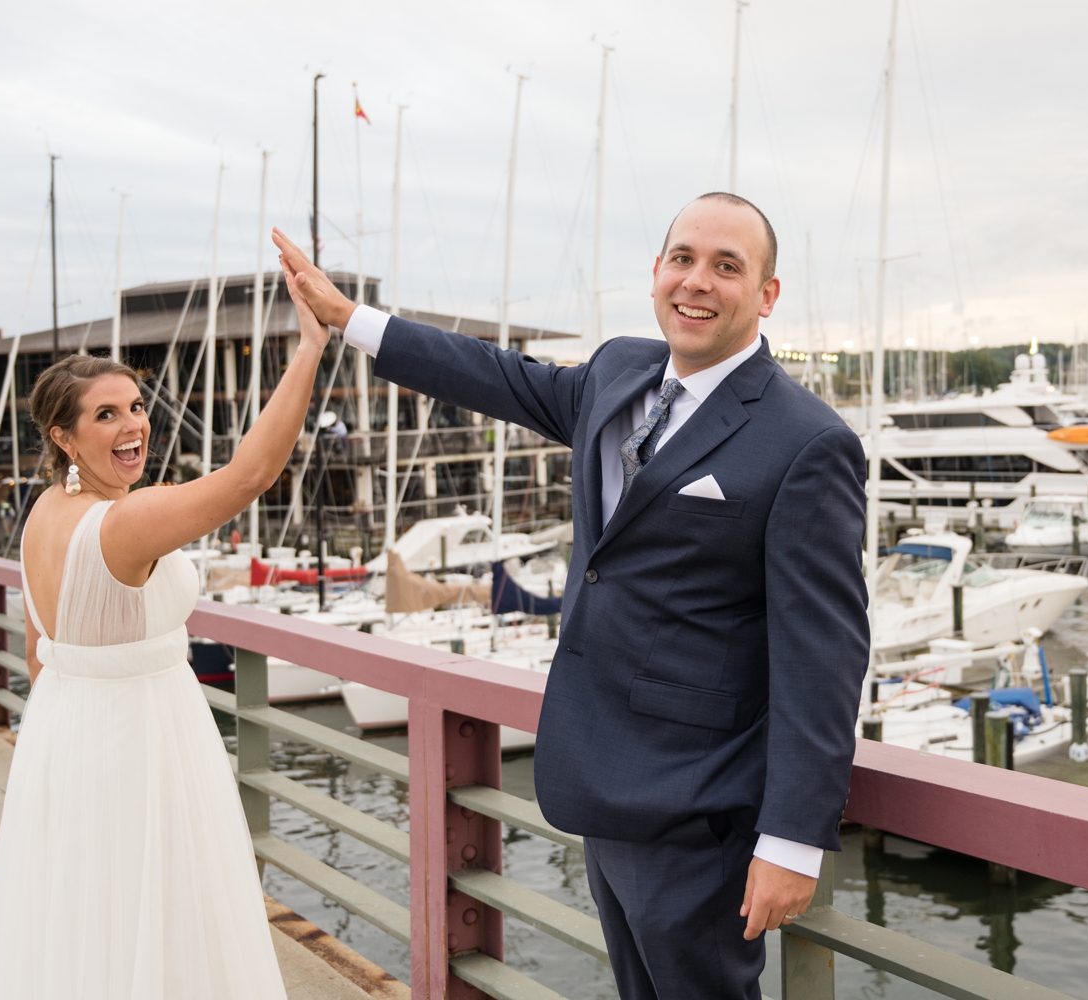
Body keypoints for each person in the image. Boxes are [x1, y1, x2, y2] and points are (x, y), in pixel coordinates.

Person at [272, 191, 870, 1000]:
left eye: (728, 266)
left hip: (699, 810)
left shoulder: (807, 442)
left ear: (765, 294)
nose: (697, 281)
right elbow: (494, 375)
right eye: (683, 259)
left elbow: (823, 656)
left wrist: (793, 840)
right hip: (602, 778)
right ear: (656, 270)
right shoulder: (621, 370)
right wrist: (352, 318)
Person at [0, 268, 330, 998]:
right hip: (142, 741)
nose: (133, 425)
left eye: (136, 407)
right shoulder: (125, 522)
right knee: (162, 917)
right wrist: (310, 347)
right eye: (105, 416)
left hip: (67, 739)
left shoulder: (44, 514)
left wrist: (52, 750)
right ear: (63, 436)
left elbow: (44, 651)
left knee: (86, 920)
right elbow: (251, 474)